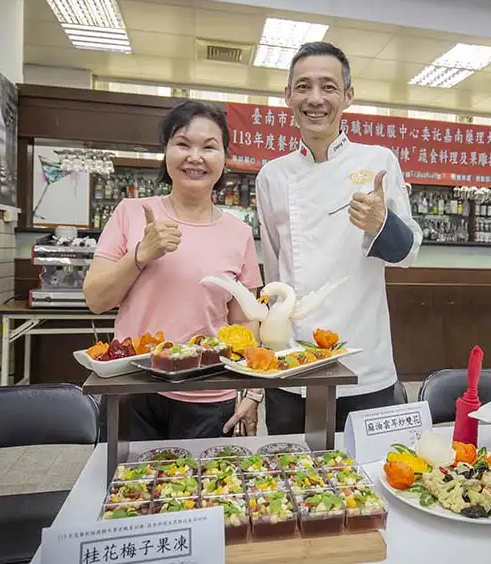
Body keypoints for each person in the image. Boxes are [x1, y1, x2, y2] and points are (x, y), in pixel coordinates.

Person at [256, 42, 423, 435]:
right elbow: (273, 270)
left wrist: (382, 223)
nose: (315, 99)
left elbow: (408, 253)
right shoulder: (272, 176)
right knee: (291, 479)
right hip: (290, 363)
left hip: (363, 360)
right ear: (287, 96)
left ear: (348, 95)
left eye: (328, 87)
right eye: (303, 86)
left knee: (366, 482)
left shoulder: (378, 161)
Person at [83, 100, 264, 440]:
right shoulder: (131, 212)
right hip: (133, 385)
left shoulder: (238, 233)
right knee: (128, 489)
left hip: (209, 392)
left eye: (209, 147)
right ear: (165, 152)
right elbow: (96, 299)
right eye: (183, 144)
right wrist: (140, 254)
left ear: (224, 159)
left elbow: (245, 323)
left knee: (204, 490)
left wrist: (253, 391)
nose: (195, 157)